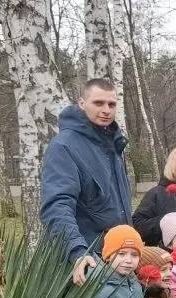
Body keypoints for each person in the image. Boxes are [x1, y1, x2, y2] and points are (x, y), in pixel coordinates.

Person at [40, 79, 133, 285]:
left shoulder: (113, 145)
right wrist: (77, 251)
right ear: (82, 103)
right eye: (98, 103)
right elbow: (57, 206)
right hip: (87, 263)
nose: (106, 110)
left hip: (117, 260)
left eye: (111, 104)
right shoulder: (64, 146)